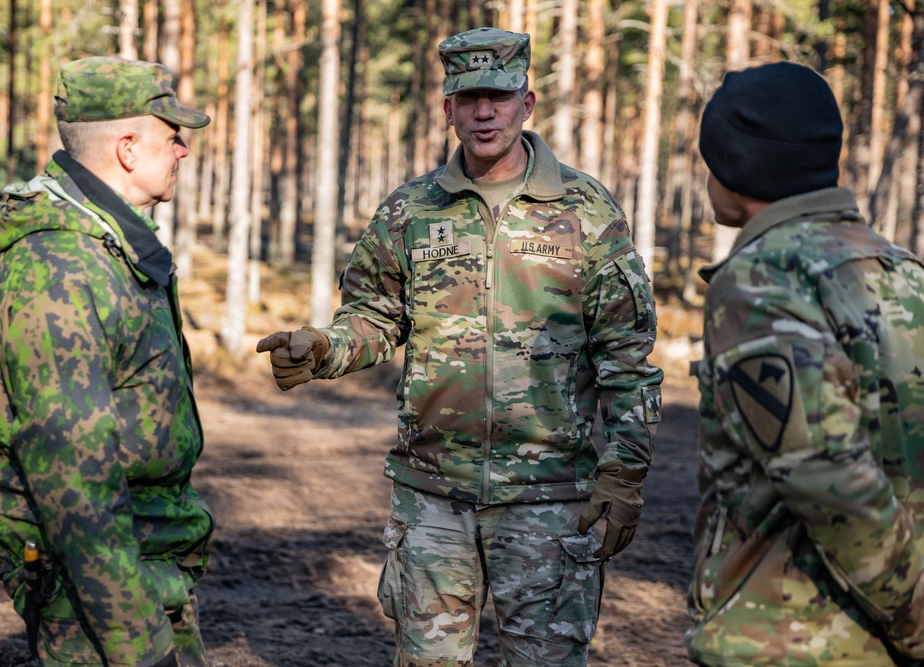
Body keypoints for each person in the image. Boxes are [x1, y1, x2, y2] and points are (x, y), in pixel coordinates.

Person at [257, 27, 663, 666]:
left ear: (526, 104)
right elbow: (373, 318)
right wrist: (324, 349)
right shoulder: (411, 212)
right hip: (432, 499)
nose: (483, 113)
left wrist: (624, 473)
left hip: (549, 500)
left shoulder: (584, 210)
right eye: (468, 97)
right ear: (446, 107)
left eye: (497, 97)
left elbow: (627, 356)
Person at [0, 57, 214, 667]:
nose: (183, 151)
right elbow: (72, 482)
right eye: (172, 136)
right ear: (128, 148)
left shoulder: (110, 247)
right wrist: (137, 644)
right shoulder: (60, 269)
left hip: (139, 570)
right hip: (97, 594)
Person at [686, 61, 924, 666]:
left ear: (732, 164)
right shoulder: (903, 272)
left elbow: (832, 485)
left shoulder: (760, 282)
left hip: (790, 642)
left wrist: (919, 626)